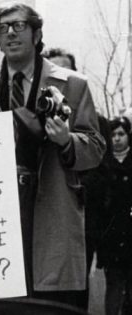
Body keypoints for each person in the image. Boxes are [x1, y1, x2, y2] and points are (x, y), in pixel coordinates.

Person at [0, 2, 105, 308]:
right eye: (3, 27)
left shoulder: (73, 84)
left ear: (37, 34)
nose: (10, 33)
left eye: (19, 25)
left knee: (54, 303)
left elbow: (95, 149)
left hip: (53, 215)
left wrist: (66, 141)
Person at [43, 47, 110, 310]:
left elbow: (102, 170)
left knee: (74, 292)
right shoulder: (36, 116)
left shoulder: (96, 121)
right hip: (46, 221)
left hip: (82, 219)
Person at [97, 117, 132, 315]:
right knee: (114, 287)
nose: (117, 138)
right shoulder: (103, 163)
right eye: (113, 135)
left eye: (121, 134)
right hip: (111, 237)